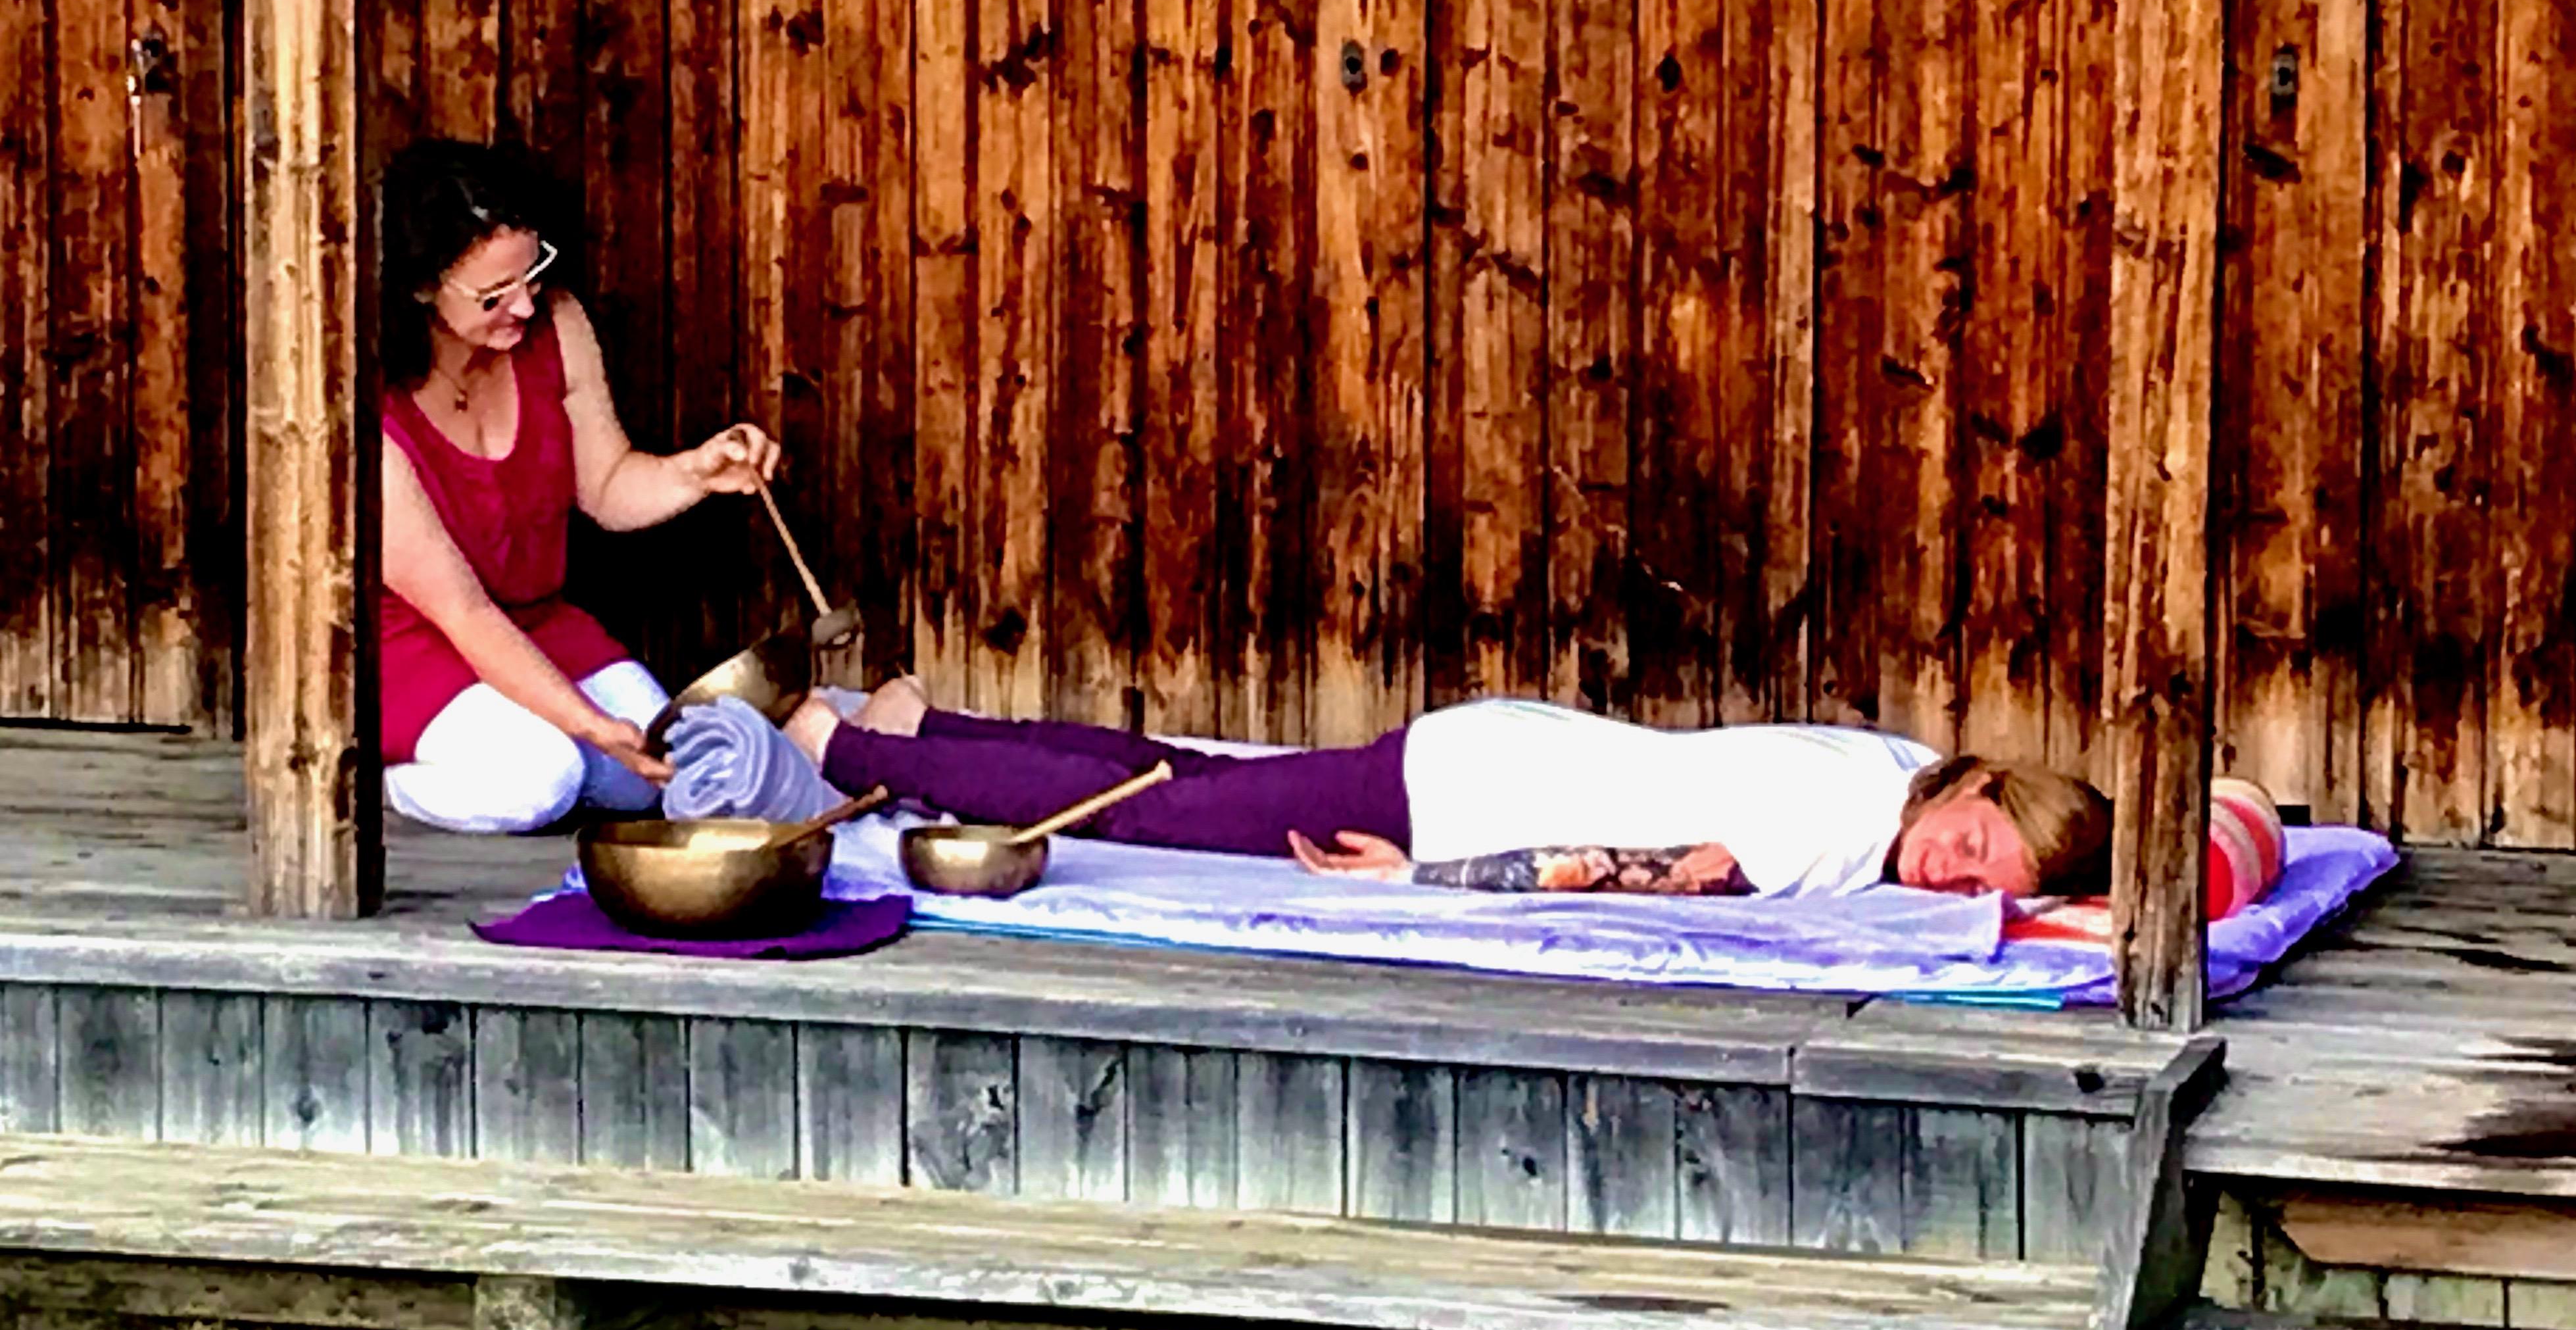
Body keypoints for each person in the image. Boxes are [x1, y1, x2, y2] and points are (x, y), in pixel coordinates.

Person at [781, 684, 2113, 899]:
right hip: (1466, 800)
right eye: (1974, 843)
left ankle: (925, 724)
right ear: (1983, 788)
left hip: (1497, 745)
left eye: (1983, 887)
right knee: (1147, 808)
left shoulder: (1891, 761)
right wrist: (1416, 876)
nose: (1950, 873)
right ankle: (844, 746)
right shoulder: (1842, 829)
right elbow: (1622, 874)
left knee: (1189, 774)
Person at [377, 139, 779, 833]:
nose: (524, 306)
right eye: (494, 295)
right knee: (543, 777)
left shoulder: (557, 324)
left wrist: (697, 472)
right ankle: (388, 779)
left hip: (535, 622)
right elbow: (463, 613)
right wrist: (587, 724)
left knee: (654, 771)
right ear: (421, 289)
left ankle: (526, 748)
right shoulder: (375, 414)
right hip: (413, 643)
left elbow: (610, 486)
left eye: (533, 274)